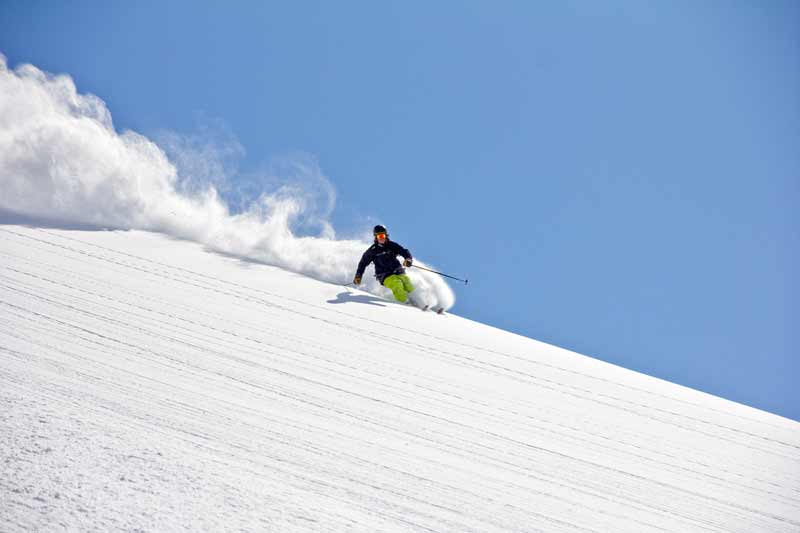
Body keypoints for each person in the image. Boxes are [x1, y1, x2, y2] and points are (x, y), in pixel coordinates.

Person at [353, 225, 415, 303]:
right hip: (385, 275)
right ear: (376, 237)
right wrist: (358, 275)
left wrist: (408, 259)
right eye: (379, 236)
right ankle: (405, 303)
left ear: (386, 235)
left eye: (383, 235)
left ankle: (417, 302)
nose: (381, 238)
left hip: (398, 271)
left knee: (407, 282)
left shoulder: (392, 245)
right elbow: (363, 263)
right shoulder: (373, 250)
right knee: (397, 284)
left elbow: (403, 251)